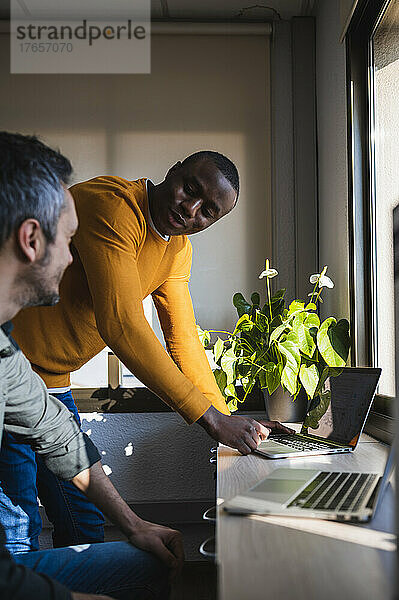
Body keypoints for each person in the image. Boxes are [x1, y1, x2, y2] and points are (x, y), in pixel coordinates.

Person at [9, 148, 293, 549]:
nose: (190, 209)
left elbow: (183, 339)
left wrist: (233, 423)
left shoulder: (177, 251)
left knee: (84, 526)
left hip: (52, 385)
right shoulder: (115, 207)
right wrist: (210, 420)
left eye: (207, 211)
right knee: (17, 530)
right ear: (173, 170)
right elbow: (121, 324)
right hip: (10, 373)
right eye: (189, 188)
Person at [0, 131, 184, 599]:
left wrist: (135, 524)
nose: (71, 256)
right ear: (30, 239)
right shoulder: (114, 204)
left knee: (144, 562)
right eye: (68, 240)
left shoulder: (5, 350)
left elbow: (59, 434)